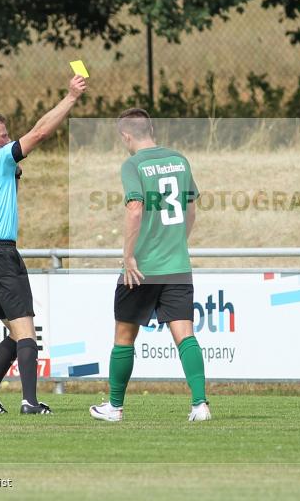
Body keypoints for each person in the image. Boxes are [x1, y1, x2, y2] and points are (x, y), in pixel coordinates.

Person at [0, 75, 87, 415]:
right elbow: (40, 132)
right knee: (27, 331)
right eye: (3, 136)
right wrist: (71, 97)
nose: (9, 140)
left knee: (16, 334)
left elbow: (3, 193)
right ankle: (30, 402)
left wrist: (13, 176)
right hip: (1, 254)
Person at [89, 108, 210, 423]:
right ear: (151, 129)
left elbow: (134, 208)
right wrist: (177, 241)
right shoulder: (179, 160)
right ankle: (200, 405)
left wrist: (128, 255)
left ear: (126, 136)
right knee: (185, 333)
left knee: (124, 336)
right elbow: (192, 208)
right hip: (177, 264)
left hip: (142, 267)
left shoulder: (133, 164)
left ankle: (114, 407)